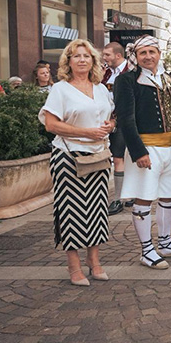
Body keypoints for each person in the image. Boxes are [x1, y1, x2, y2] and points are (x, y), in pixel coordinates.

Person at [38, 39, 114, 286]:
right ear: (68, 62)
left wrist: (109, 126)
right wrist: (86, 133)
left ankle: (95, 262)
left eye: (87, 56)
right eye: (76, 56)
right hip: (69, 157)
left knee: (96, 211)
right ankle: (74, 267)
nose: (82, 60)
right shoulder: (60, 89)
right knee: (71, 213)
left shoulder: (101, 88)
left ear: (93, 61)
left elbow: (110, 117)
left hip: (98, 157)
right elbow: (51, 125)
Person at [114, 35, 171, 269]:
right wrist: (138, 152)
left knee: (169, 195)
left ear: (159, 54)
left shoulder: (166, 78)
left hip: (169, 148)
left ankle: (166, 242)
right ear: (135, 57)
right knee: (144, 197)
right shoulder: (127, 80)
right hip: (146, 148)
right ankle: (147, 250)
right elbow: (126, 119)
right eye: (143, 53)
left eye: (152, 52)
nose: (148, 56)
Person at [102, 42, 130, 215]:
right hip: (110, 121)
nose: (104, 58)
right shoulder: (105, 73)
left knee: (124, 158)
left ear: (118, 56)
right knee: (117, 158)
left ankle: (122, 198)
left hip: (126, 121)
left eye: (107, 55)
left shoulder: (131, 72)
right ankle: (119, 198)